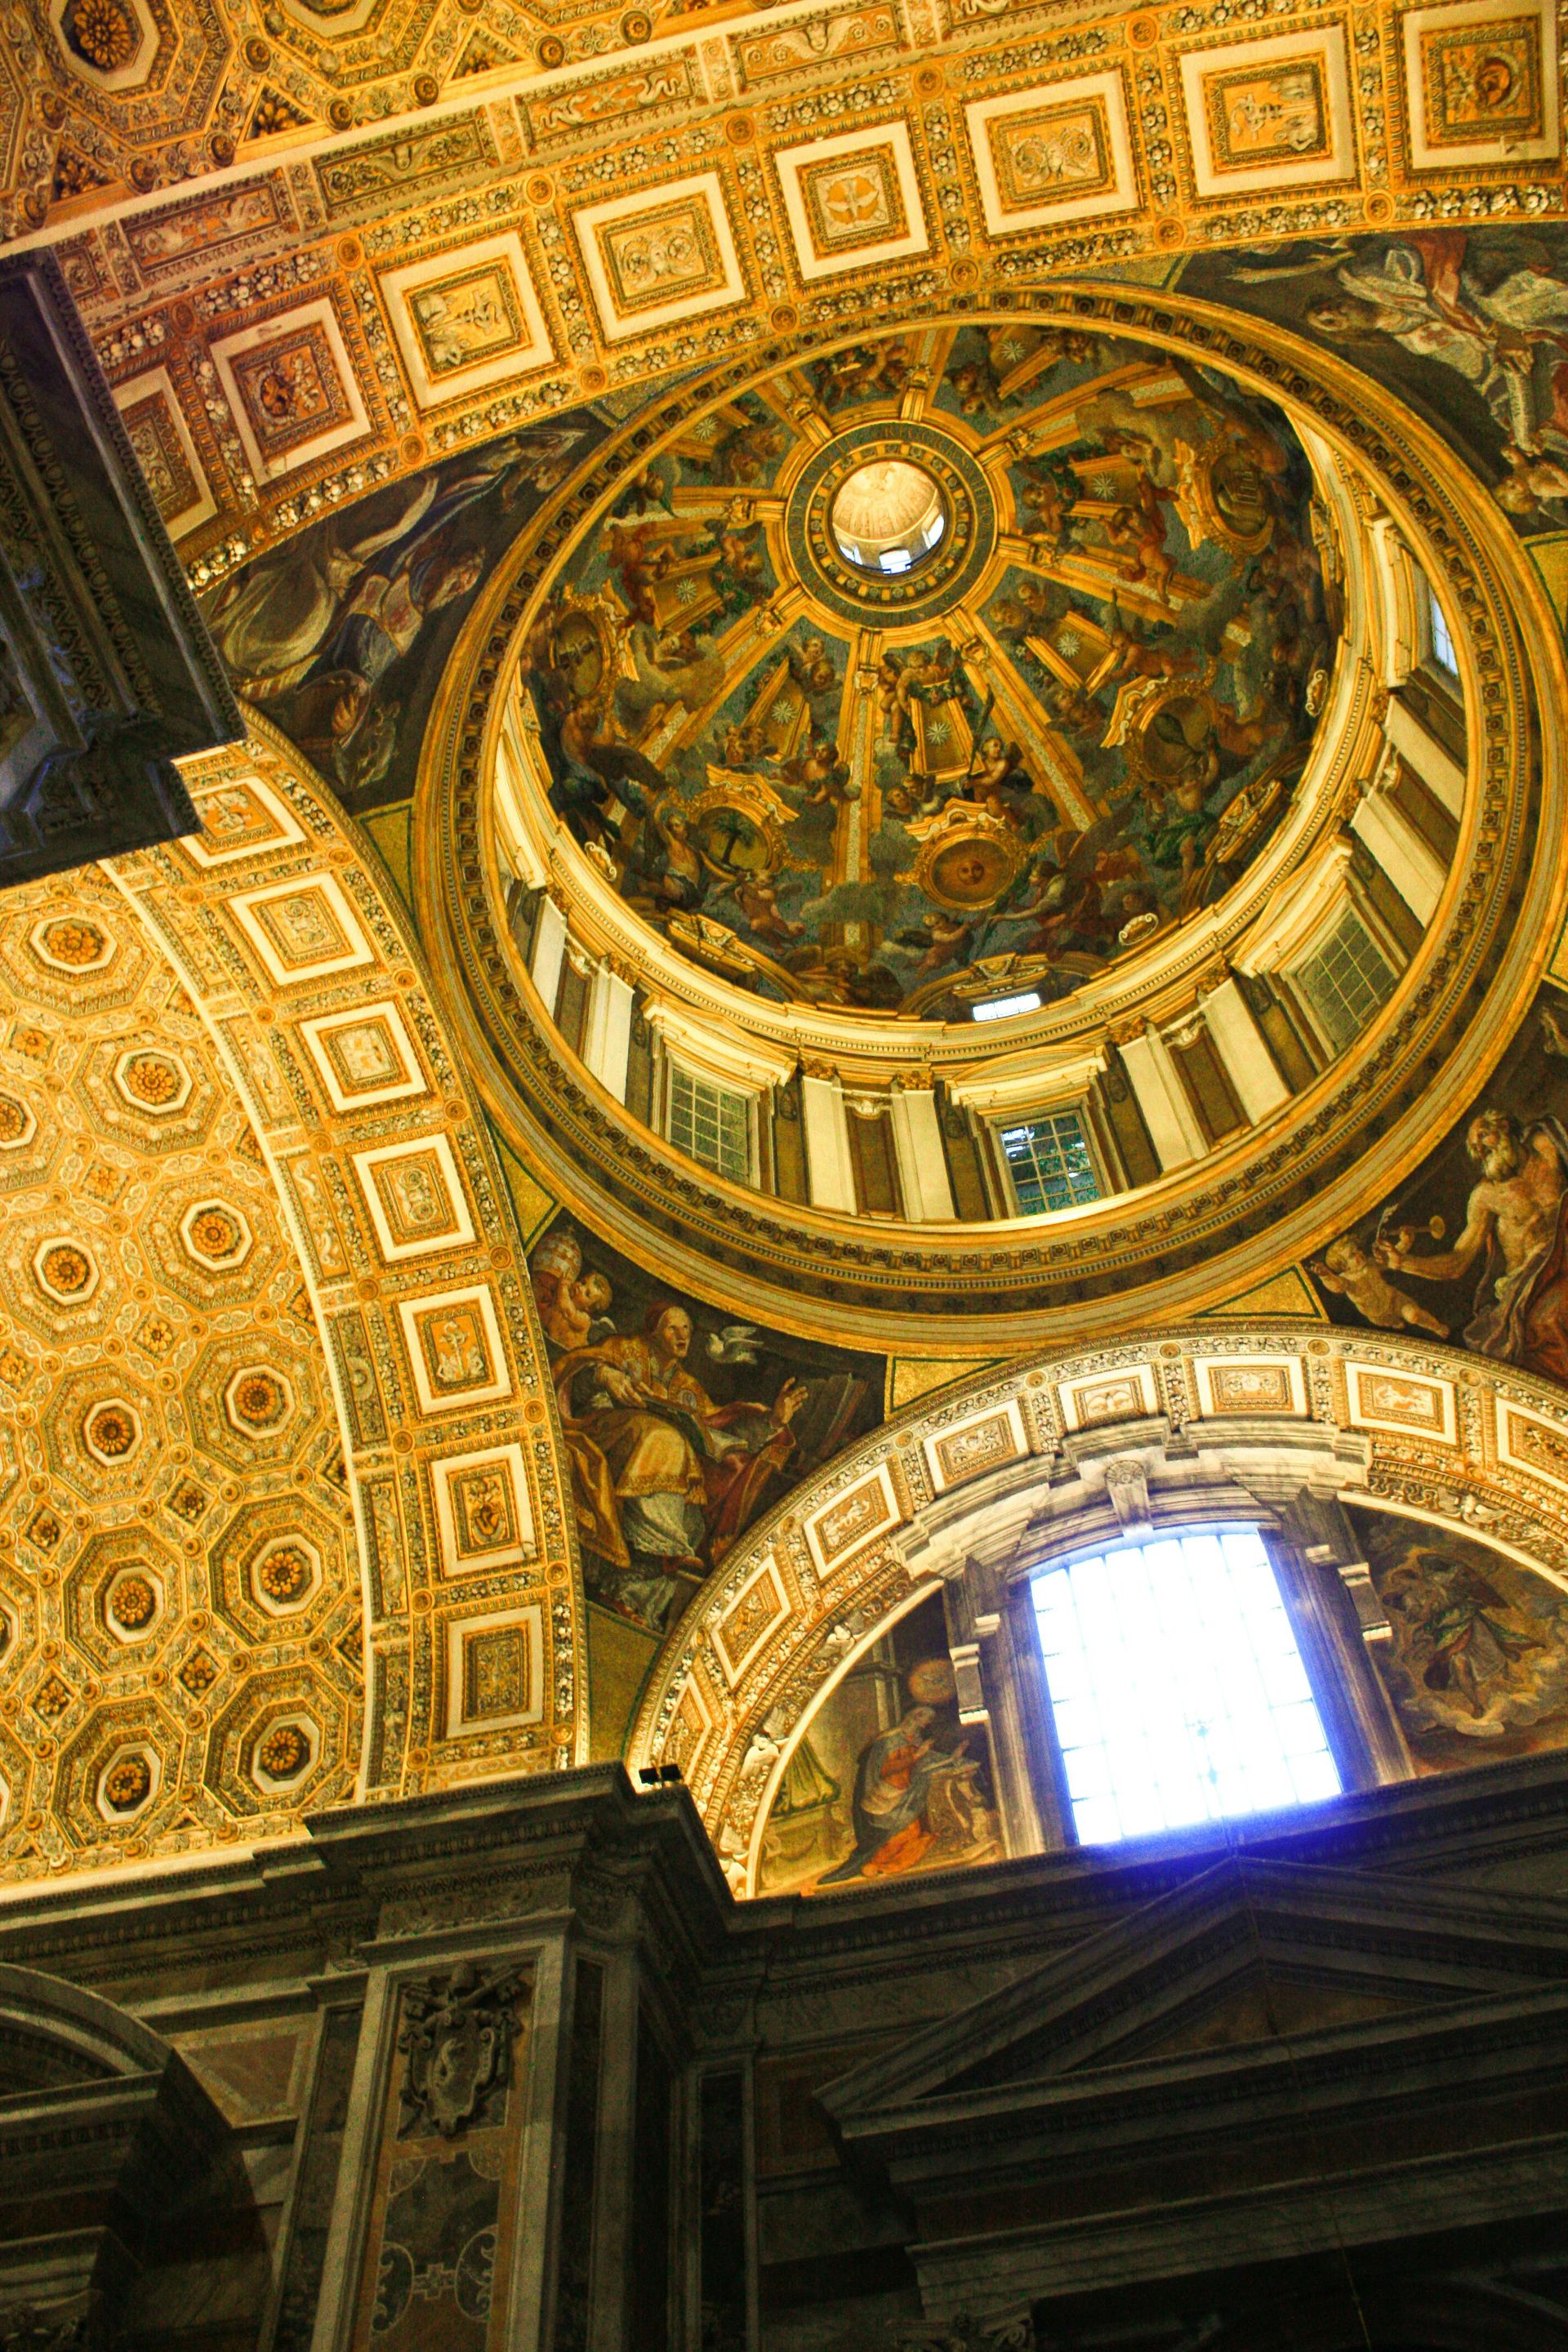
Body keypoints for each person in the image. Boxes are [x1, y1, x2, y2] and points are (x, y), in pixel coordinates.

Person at [1374, 1109, 1568, 1381]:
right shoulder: (1486, 1196)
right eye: (1474, 1149)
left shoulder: (1548, 1148)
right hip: (1532, 1283)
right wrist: (1404, 1262)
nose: (1479, 1150)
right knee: (1552, 1316)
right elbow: (1459, 1260)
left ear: (1504, 1126)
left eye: (1482, 1137)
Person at [815, 1707, 969, 1884]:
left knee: (913, 1833)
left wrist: (950, 1759)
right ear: (916, 1717)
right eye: (926, 1719)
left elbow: (923, 1763)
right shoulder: (888, 1741)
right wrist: (918, 1755)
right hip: (884, 1797)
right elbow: (884, 1770)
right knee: (897, 1837)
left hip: (904, 1793)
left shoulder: (914, 1739)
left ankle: (881, 1862)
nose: (928, 1724)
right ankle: (876, 1862)